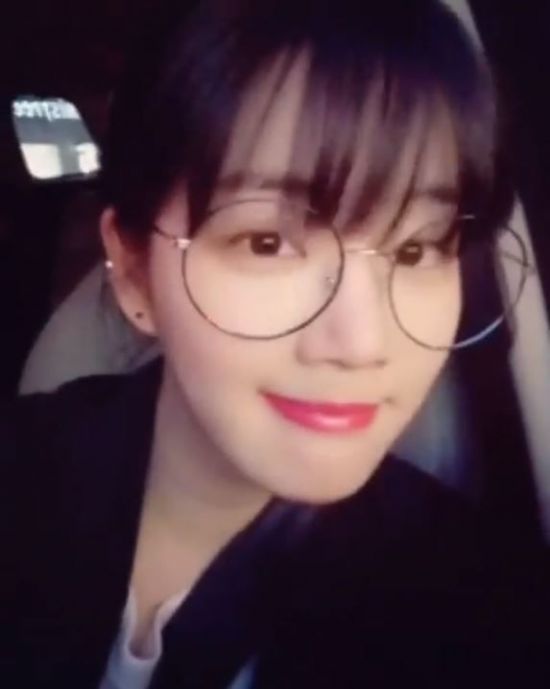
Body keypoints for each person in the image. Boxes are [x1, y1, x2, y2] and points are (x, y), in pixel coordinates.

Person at [1, 1, 547, 688]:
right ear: (135, 269)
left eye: (416, 249)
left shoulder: (481, 615)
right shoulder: (25, 483)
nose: (362, 343)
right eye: (267, 242)